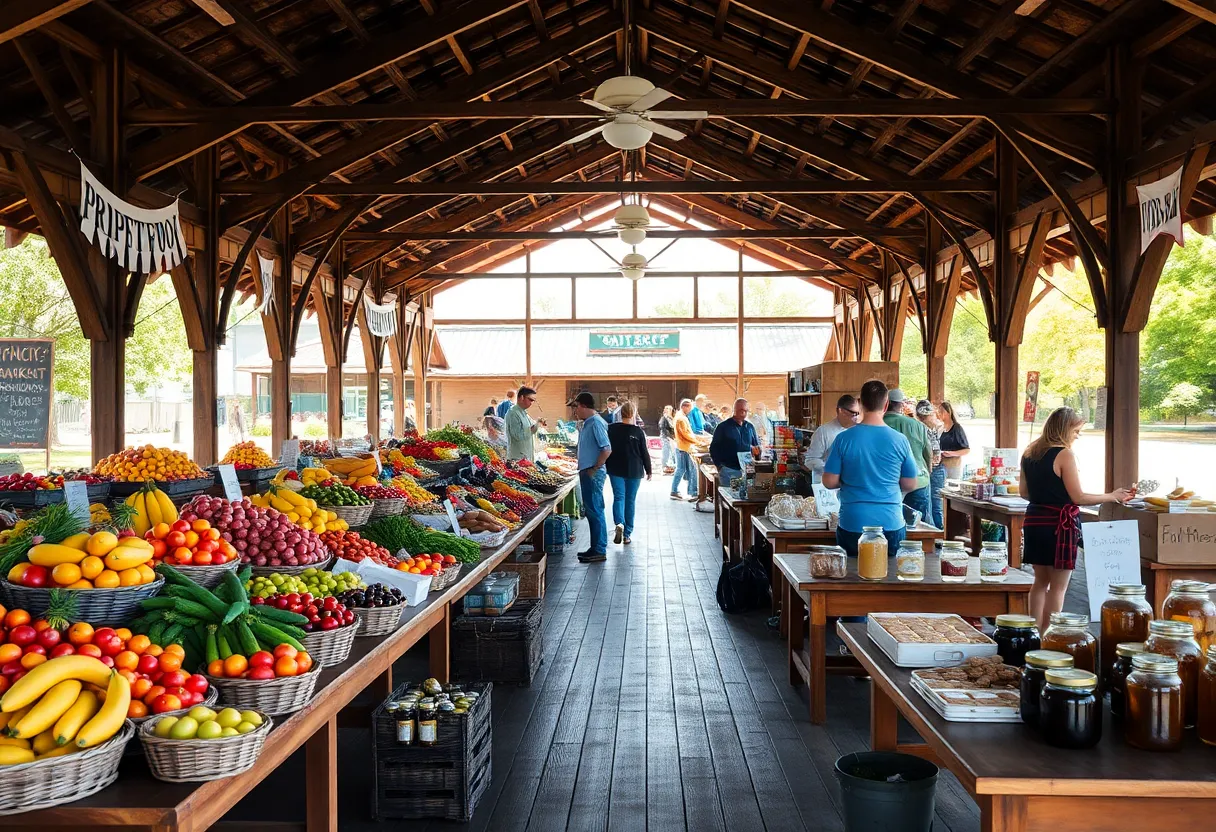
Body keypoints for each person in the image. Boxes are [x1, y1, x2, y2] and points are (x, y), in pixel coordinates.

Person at [1021, 407, 1131, 630]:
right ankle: (1048, 636)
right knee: (1059, 587)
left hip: (1034, 521)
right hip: (1058, 525)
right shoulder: (1064, 454)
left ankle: (1032, 633)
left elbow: (1024, 493)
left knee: (1040, 582)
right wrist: (1112, 496)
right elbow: (1078, 496)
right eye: (1076, 430)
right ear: (1064, 429)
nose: (1077, 435)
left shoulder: (1030, 451)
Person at [822, 380, 920, 556]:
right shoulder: (900, 440)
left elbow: (829, 481)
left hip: (853, 521)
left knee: (851, 577)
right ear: (886, 404)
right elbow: (910, 483)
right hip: (890, 520)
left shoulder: (844, 439)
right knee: (891, 578)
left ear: (860, 404)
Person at [568, 392, 612, 563]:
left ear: (583, 405)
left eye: (576, 407)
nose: (575, 411)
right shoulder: (588, 422)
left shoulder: (595, 423)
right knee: (593, 510)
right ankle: (596, 547)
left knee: (595, 510)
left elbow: (606, 449)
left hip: (592, 473)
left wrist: (594, 468)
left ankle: (599, 549)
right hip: (587, 471)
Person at [883, 388, 933, 524]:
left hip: (888, 484)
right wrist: (927, 472)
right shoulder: (918, 425)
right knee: (920, 527)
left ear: (885, 404)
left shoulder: (878, 424)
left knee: (889, 525)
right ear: (901, 405)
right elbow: (928, 453)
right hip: (918, 480)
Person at [607, 401, 652, 545]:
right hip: (634, 469)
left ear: (620, 413)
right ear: (633, 414)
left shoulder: (611, 429)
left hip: (615, 468)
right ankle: (627, 534)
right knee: (630, 500)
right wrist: (649, 470)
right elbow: (644, 452)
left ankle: (619, 523)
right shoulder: (637, 431)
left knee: (619, 497)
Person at [804, 394, 860, 483]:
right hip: (826, 486)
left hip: (850, 485)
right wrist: (832, 468)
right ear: (841, 411)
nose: (856, 418)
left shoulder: (859, 432)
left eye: (858, 414)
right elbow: (810, 460)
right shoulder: (823, 432)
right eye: (854, 414)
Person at [709, 398, 761, 487]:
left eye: (745, 411)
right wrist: (720, 467)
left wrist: (757, 453)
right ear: (734, 410)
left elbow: (757, 447)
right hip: (728, 470)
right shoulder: (723, 427)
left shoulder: (750, 427)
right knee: (728, 498)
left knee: (744, 498)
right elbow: (713, 448)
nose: (743, 413)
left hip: (746, 470)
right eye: (741, 410)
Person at [916, 399, 946, 529]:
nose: (930, 417)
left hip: (935, 469)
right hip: (929, 469)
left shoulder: (935, 428)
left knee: (935, 505)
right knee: (930, 505)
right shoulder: (923, 428)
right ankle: (934, 533)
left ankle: (938, 533)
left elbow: (935, 452)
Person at [671, 399, 699, 501]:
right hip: (684, 447)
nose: (690, 410)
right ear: (685, 407)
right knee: (687, 469)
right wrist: (697, 441)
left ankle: (687, 491)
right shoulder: (681, 419)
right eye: (690, 408)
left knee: (682, 469)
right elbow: (685, 434)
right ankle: (692, 492)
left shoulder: (680, 417)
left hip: (683, 446)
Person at [505, 385, 543, 461]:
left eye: (533, 401)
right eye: (530, 400)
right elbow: (518, 436)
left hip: (526, 457)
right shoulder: (513, 413)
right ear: (522, 397)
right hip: (517, 458)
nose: (531, 403)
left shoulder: (523, 412)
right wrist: (531, 429)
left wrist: (538, 422)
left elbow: (532, 428)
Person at [937, 401, 970, 479]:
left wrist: (952, 453)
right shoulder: (939, 428)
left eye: (942, 411)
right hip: (940, 465)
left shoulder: (956, 428)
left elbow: (966, 450)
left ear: (949, 412)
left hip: (953, 466)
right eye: (938, 411)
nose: (939, 413)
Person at [658, 405, 676, 474]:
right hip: (665, 437)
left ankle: (671, 467)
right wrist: (670, 437)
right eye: (666, 408)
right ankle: (664, 467)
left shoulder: (672, 418)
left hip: (672, 438)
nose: (667, 410)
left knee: (672, 453)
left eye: (669, 409)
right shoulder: (664, 418)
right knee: (666, 452)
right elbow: (663, 428)